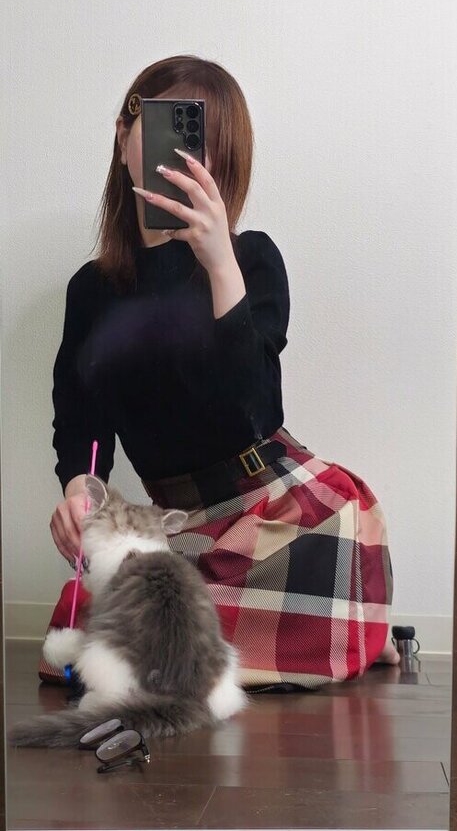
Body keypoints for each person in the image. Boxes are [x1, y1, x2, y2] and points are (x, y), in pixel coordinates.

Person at [50, 55, 397, 689]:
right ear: (124, 138)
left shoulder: (250, 260)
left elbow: (254, 410)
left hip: (278, 511)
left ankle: (345, 630)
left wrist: (218, 266)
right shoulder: (91, 291)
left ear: (225, 162)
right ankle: (341, 637)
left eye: (204, 141)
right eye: (170, 125)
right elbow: (80, 419)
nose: (183, 154)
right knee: (74, 648)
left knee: (143, 657)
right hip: (177, 525)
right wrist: (78, 491)